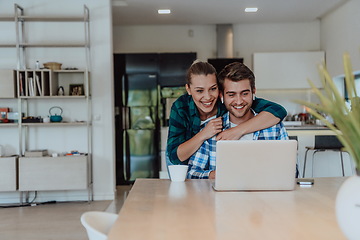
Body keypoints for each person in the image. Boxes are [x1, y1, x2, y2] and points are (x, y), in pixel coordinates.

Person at [167, 60, 287, 167]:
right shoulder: (181, 107)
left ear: (219, 91)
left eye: (213, 89)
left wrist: (237, 130)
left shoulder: (230, 102)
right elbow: (175, 157)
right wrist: (204, 133)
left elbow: (278, 111)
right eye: (199, 91)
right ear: (188, 89)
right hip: (180, 160)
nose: (208, 97)